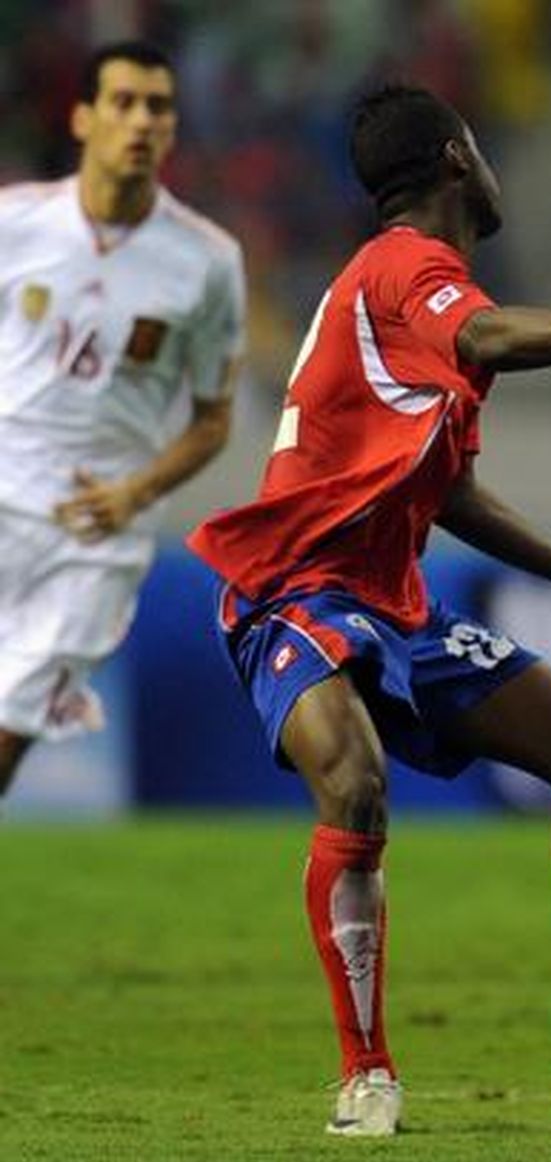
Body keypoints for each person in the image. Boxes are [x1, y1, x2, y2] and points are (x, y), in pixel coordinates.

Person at [187, 84, 551, 1137]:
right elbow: (488, 338)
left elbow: (450, 495)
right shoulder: (412, 269)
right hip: (297, 589)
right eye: (485, 149)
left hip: (390, 603)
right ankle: (366, 1074)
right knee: (354, 786)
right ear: (457, 158)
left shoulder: (409, 301)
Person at [0, 40, 244, 797]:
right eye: (123, 102)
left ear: (173, 129)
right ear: (83, 118)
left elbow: (212, 421)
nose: (141, 121)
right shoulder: (16, 224)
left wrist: (134, 495)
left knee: (9, 733)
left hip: (96, 538)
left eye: (158, 107)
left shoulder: (207, 262)